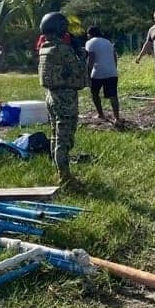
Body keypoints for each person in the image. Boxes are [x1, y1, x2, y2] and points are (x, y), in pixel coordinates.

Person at [38, 12, 87, 184]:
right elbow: (79, 74)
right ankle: (65, 177)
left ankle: (58, 171)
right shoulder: (63, 50)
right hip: (65, 97)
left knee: (54, 135)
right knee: (64, 138)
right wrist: (81, 56)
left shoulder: (44, 48)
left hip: (51, 96)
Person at [84, 26, 120, 122]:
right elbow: (114, 56)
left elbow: (91, 58)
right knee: (113, 95)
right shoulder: (107, 42)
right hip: (111, 72)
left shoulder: (90, 42)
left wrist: (88, 72)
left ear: (90, 34)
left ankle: (101, 114)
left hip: (97, 73)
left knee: (95, 93)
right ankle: (117, 117)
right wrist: (114, 68)